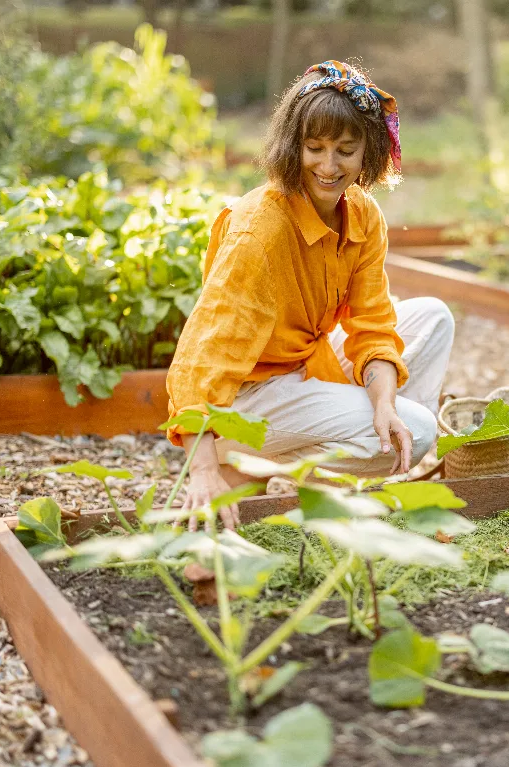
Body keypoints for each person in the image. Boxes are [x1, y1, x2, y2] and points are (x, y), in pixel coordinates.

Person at [165, 61, 454, 528]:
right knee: (420, 429)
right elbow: (204, 356)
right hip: (247, 397)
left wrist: (384, 403)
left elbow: (373, 325)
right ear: (291, 146)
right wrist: (201, 470)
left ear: (368, 152)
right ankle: (249, 463)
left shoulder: (361, 214)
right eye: (314, 148)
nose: (329, 165)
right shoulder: (260, 232)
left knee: (434, 318)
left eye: (346, 150)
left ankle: (367, 466)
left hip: (304, 361)